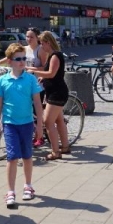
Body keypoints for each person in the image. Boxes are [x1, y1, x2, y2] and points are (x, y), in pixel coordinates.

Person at [0, 43, 44, 208]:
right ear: (9, 61)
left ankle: (28, 185)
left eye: (24, 58)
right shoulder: (3, 80)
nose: (22, 62)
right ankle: (10, 191)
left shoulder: (30, 79)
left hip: (27, 123)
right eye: (18, 59)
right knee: (12, 157)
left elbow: (38, 103)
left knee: (27, 156)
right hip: (10, 124)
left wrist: (39, 125)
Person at [28, 31, 69, 161]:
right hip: (55, 92)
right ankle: (65, 146)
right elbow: (48, 73)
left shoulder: (55, 56)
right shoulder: (52, 55)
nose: (41, 46)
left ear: (48, 43)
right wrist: (40, 76)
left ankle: (55, 152)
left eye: (42, 43)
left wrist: (36, 72)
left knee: (48, 122)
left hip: (57, 93)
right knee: (59, 120)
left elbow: (51, 73)